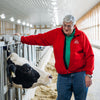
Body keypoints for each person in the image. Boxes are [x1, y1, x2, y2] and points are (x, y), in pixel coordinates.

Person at [15, 15, 94, 100]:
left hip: (80, 74)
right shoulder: (56, 34)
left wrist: (89, 75)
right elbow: (40, 38)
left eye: (69, 26)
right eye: (64, 25)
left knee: (81, 98)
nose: (66, 28)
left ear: (74, 26)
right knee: (61, 98)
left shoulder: (81, 36)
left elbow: (90, 55)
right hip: (63, 76)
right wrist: (22, 39)